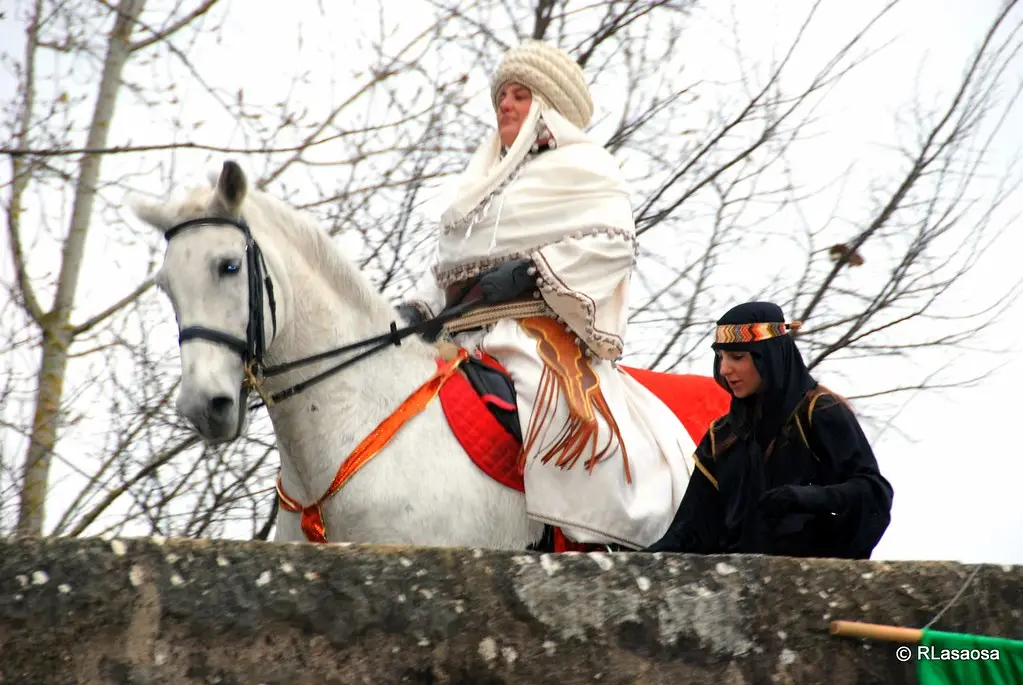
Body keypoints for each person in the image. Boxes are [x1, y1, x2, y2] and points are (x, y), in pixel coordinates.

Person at [396, 40, 698, 550]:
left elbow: (610, 247)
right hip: (458, 337)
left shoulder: (588, 170)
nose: (505, 106)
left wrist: (532, 272)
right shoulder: (482, 185)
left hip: (535, 335)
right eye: (500, 98)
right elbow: (445, 264)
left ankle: (564, 534)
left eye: (519, 95)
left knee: (559, 415)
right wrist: (416, 308)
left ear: (548, 106)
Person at [644, 301, 894, 559]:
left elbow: (873, 494)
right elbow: (692, 528)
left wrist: (805, 497)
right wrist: (639, 561)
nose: (724, 369)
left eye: (737, 357)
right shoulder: (723, 435)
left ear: (770, 357)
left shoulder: (820, 412)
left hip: (808, 582)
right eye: (720, 357)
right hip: (737, 587)